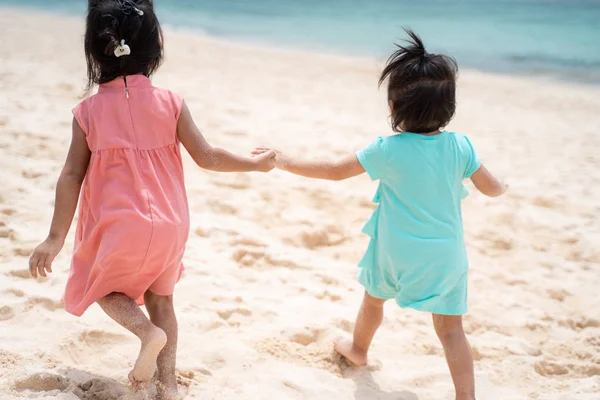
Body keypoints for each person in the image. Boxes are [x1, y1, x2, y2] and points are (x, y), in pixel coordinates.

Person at [28, 1, 274, 398]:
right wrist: (254, 163)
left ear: (94, 51)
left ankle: (146, 333)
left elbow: (72, 175)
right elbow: (208, 157)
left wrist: (54, 238)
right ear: (155, 47)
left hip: (119, 223)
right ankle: (168, 384)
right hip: (171, 225)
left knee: (104, 287)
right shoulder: (172, 102)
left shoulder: (87, 112)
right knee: (163, 298)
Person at [253, 29, 506, 400]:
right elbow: (491, 187)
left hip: (393, 252)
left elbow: (334, 170)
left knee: (373, 300)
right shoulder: (461, 146)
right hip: (445, 258)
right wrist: (505, 187)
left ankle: (358, 350)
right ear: (450, 108)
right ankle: (465, 397)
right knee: (451, 330)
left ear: (393, 107)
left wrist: (284, 160)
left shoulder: (387, 148)